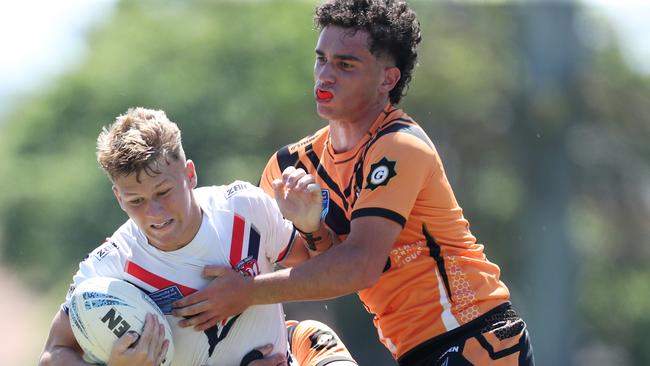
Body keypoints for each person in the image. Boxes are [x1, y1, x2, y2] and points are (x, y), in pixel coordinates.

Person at [173, 1, 535, 365]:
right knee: (302, 339)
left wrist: (247, 292)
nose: (325, 75)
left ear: (387, 79)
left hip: (475, 337)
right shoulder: (289, 166)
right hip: (416, 351)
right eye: (321, 59)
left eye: (345, 65)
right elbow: (302, 266)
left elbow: (359, 266)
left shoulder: (398, 145)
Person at [39, 108, 356, 366]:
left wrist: (311, 227)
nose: (155, 212)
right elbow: (53, 353)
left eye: (164, 192)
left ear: (190, 174)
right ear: (119, 199)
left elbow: (323, 272)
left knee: (318, 340)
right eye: (136, 201)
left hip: (295, 353)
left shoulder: (243, 207)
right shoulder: (108, 270)